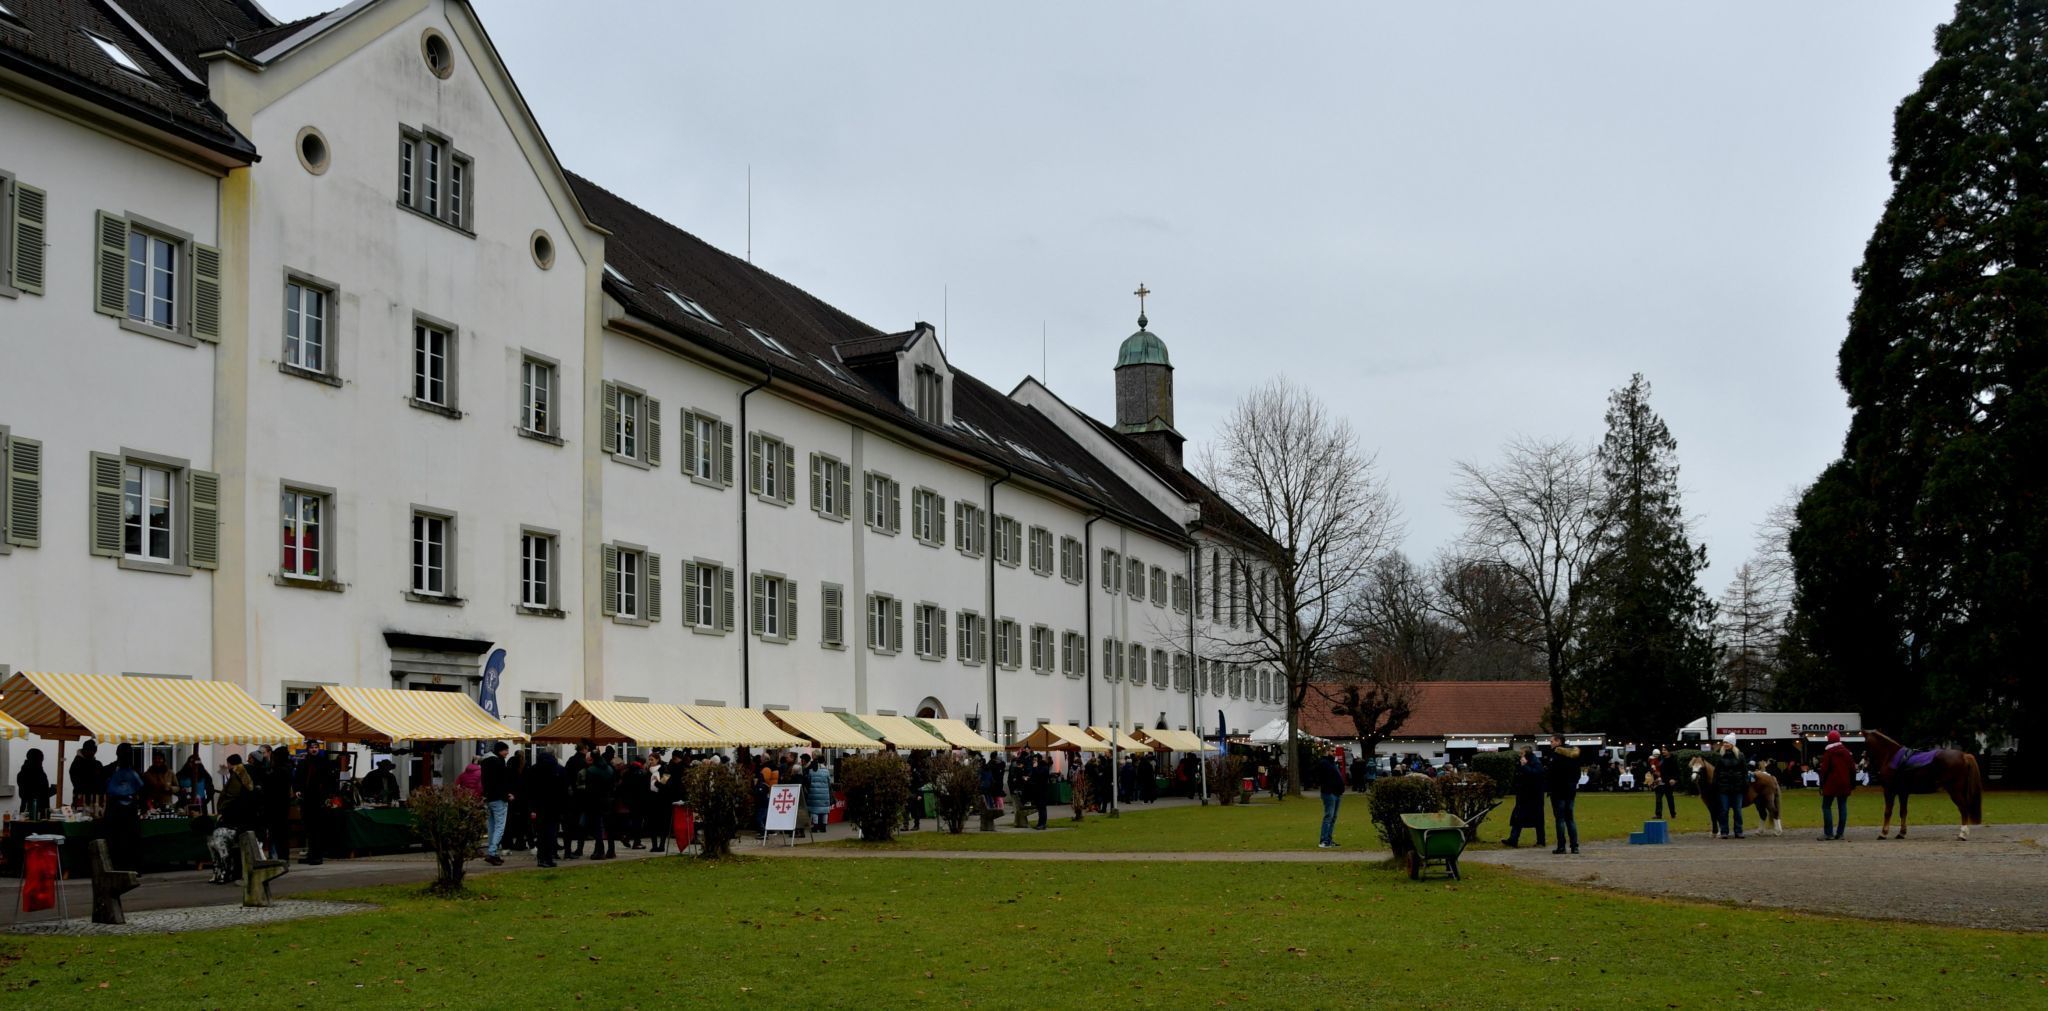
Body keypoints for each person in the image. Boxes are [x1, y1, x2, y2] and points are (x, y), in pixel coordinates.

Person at [102, 744, 146, 873]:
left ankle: (128, 866)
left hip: (125, 809)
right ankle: (125, 866)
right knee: (122, 838)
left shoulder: (132, 770)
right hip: (118, 808)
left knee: (127, 838)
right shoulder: (112, 770)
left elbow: (142, 790)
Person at [298, 745, 340, 865]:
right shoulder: (304, 763)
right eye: (311, 747)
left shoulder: (323, 763)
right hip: (307, 799)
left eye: (316, 747)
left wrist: (326, 795)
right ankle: (312, 854)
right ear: (307, 749)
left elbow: (328, 780)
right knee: (309, 829)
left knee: (317, 829)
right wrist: (298, 789)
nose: (314, 749)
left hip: (318, 800)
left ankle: (317, 855)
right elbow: (299, 779)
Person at [524, 749, 565, 867]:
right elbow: (563, 790)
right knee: (552, 833)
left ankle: (542, 858)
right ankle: (549, 857)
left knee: (541, 834)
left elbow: (529, 791)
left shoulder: (533, 770)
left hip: (539, 807)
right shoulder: (558, 770)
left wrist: (531, 808)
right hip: (554, 806)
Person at [1501, 746, 1547, 849]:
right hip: (1525, 795)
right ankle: (1513, 839)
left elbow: (1536, 775)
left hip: (1532, 796)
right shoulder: (1531, 762)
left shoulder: (1535, 763)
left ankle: (1540, 840)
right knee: (1518, 817)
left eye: (1521, 753)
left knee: (1535, 818)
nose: (1519, 755)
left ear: (1526, 753)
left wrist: (1524, 766)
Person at [1544, 734, 1581, 855]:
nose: (1550, 744)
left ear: (1558, 741)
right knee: (1570, 818)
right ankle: (1574, 846)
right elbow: (1577, 774)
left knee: (1560, 819)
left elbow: (1551, 773)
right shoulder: (1574, 755)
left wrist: (1549, 787)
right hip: (1570, 790)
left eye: (1552, 741)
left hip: (1558, 791)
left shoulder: (1556, 755)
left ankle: (1561, 846)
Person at [1817, 729, 1855, 840]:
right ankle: (1840, 833)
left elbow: (1824, 770)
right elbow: (1853, 769)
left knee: (1826, 807)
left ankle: (1829, 833)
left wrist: (1821, 785)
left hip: (1831, 784)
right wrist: (1852, 784)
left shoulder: (1829, 753)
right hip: (1844, 784)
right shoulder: (1847, 752)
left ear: (1829, 740)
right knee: (1842, 807)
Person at [480, 741, 512, 865]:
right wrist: (506, 795)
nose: (507, 753)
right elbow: (501, 782)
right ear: (500, 750)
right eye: (505, 750)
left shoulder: (485, 762)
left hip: (489, 798)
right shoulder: (498, 763)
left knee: (491, 826)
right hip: (499, 799)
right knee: (500, 827)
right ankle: (492, 852)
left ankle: (492, 851)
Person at [582, 747, 616, 859]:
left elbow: (589, 788)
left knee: (597, 826)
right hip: (608, 799)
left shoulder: (591, 770)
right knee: (609, 826)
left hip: (595, 801)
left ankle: (600, 851)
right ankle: (611, 850)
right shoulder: (610, 769)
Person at [1713, 735, 1748, 839]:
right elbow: (1716, 772)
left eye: (1727, 742)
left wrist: (1744, 784)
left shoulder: (1740, 756)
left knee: (1737, 810)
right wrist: (1716, 785)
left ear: (1732, 744)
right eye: (1724, 742)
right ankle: (1724, 831)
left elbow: (1744, 771)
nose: (1725, 744)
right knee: (1724, 810)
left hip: (1738, 788)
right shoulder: (1720, 756)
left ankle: (1739, 831)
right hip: (1723, 788)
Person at [1315, 749, 1344, 848]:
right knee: (1329, 817)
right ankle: (1324, 840)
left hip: (1336, 793)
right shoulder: (1324, 763)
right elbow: (1322, 777)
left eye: (1334, 751)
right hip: (1329, 793)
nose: (1334, 752)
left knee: (1333, 818)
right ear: (1327, 752)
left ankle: (1329, 839)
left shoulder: (1332, 763)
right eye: (1332, 751)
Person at [17, 748, 54, 819]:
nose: (42, 761)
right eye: (41, 759)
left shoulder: (23, 772)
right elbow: (34, 793)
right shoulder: (36, 773)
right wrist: (51, 791)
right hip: (34, 812)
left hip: (30, 810)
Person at [69, 740, 103, 810]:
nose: (92, 753)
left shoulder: (97, 764)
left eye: (94, 751)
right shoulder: (77, 764)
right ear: (84, 750)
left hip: (92, 801)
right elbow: (79, 784)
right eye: (91, 750)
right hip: (81, 801)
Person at [805, 756, 834, 834]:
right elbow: (829, 782)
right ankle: (823, 827)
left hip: (813, 793)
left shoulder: (811, 771)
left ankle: (815, 826)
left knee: (814, 810)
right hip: (825, 793)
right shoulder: (827, 771)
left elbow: (808, 781)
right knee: (824, 810)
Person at [1649, 750, 1679, 820]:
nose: (1663, 751)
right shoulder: (1661, 759)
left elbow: (1676, 772)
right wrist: (1653, 771)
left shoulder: (1673, 760)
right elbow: (1656, 769)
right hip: (1659, 782)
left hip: (1668, 782)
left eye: (1665, 750)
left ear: (1669, 751)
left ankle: (1673, 814)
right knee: (1658, 799)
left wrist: (1674, 779)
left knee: (1670, 799)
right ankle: (1658, 814)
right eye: (1662, 750)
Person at [1030, 753, 1051, 830]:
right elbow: (1034, 776)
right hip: (1038, 790)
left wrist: (1035, 768)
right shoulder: (1038, 767)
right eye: (1033, 760)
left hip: (1043, 790)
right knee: (1040, 808)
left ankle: (1043, 824)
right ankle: (1040, 823)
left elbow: (1040, 775)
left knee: (1042, 808)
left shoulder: (1044, 767)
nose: (1034, 761)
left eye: (1035, 760)